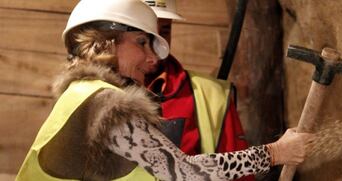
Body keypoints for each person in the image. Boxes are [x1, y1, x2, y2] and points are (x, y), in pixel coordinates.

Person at [16, 0, 313, 180]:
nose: (152, 58)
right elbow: (184, 173)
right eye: (142, 43)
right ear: (105, 41)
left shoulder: (82, 95)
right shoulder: (106, 104)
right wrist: (274, 153)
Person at [140, 2, 255, 180]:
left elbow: (239, 173)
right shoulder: (99, 93)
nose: (155, 50)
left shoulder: (212, 95)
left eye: (164, 32)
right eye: (143, 37)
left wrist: (275, 153)